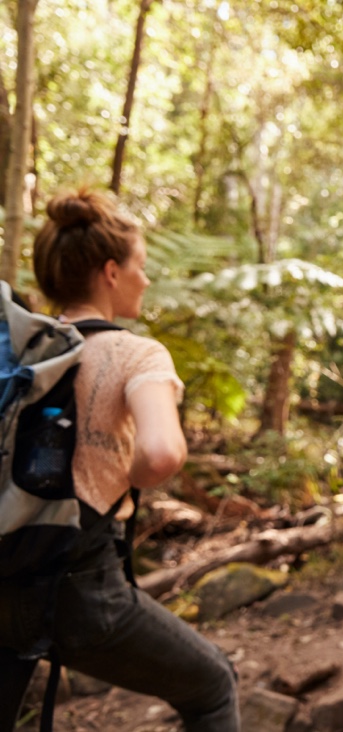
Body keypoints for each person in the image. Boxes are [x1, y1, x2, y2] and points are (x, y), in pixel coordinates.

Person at [0, 189, 239, 730]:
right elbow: (161, 453)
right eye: (141, 266)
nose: (146, 279)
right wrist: (119, 477)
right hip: (81, 591)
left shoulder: (21, 352)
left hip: (7, 572)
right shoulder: (137, 352)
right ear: (111, 272)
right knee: (213, 686)